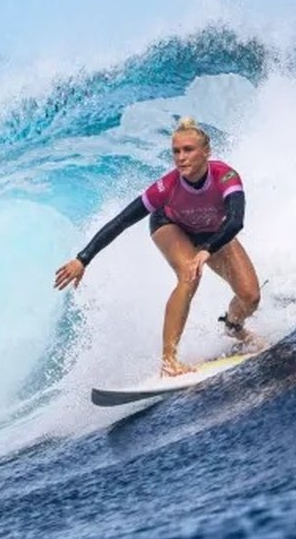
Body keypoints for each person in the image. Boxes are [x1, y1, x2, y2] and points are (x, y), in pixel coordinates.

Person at [54, 117, 262, 376]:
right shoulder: (166, 187)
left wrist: (207, 248)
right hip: (170, 225)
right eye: (176, 151)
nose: (181, 157)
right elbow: (121, 221)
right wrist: (83, 258)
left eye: (188, 150)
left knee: (250, 296)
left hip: (213, 232)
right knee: (189, 274)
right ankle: (169, 361)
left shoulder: (225, 176)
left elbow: (235, 221)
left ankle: (233, 326)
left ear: (206, 152)